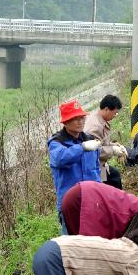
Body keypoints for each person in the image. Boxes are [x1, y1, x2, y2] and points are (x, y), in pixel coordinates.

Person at [48, 99, 103, 233]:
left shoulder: (89, 139)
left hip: (91, 199)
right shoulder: (57, 143)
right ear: (66, 122)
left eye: (82, 118)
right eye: (75, 119)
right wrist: (82, 147)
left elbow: (96, 170)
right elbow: (61, 158)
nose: (80, 122)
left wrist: (101, 193)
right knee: (71, 243)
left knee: (93, 239)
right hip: (70, 203)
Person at [61, 181, 138, 238]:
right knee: (85, 251)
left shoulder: (137, 203)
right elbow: (127, 244)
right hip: (84, 200)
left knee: (73, 247)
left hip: (80, 193)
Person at [84, 94, 127, 190]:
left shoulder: (100, 119)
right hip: (94, 167)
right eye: (114, 113)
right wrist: (113, 150)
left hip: (100, 164)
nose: (115, 116)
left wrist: (114, 145)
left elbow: (101, 142)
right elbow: (94, 150)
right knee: (109, 183)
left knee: (113, 177)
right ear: (107, 109)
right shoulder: (94, 127)